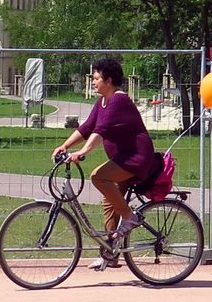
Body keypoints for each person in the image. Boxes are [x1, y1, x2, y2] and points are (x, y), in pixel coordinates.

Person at [52, 57, 157, 268]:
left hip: (136, 158)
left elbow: (100, 132)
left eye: (96, 78)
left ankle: (130, 218)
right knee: (110, 202)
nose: (93, 81)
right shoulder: (102, 102)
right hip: (122, 159)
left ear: (108, 80)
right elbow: (87, 127)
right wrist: (65, 146)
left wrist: (81, 153)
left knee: (98, 177)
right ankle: (110, 252)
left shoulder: (119, 100)